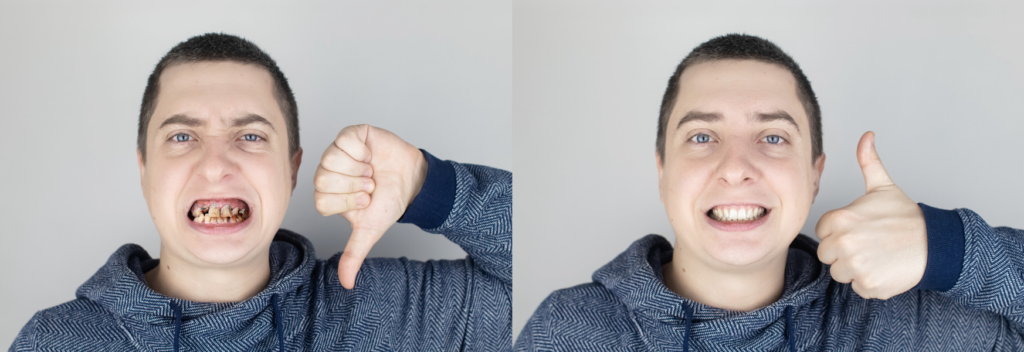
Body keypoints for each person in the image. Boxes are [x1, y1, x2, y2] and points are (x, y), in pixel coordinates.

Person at [515, 34, 1024, 351]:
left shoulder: (902, 325)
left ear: (815, 174)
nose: (736, 168)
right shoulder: (570, 332)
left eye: (773, 137)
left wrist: (948, 248)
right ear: (663, 172)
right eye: (701, 137)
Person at [10, 33, 511, 351]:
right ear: (144, 170)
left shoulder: (385, 311)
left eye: (250, 136)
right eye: (182, 137)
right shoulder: (58, 342)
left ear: (292, 169)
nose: (215, 166)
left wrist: (432, 185)